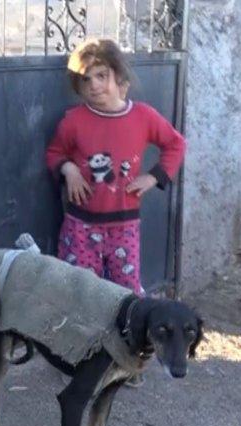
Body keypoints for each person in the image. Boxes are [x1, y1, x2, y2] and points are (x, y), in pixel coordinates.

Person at [45, 38, 186, 297]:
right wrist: (69, 169)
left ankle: (121, 337)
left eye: (101, 75)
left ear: (119, 77)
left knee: (125, 293)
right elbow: (55, 152)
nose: (94, 85)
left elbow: (176, 144)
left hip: (125, 227)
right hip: (80, 227)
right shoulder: (73, 121)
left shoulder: (143, 117)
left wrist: (154, 177)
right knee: (80, 293)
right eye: (86, 79)